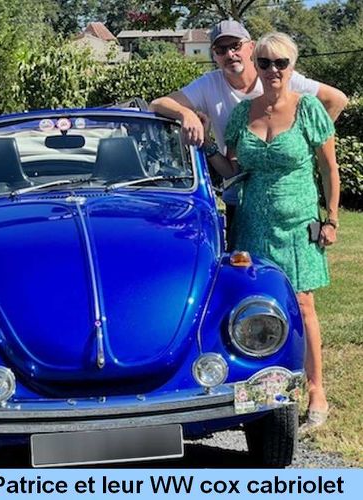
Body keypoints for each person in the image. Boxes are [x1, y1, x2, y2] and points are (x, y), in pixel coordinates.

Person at [205, 31, 339, 431]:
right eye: (264, 63)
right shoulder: (243, 113)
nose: (273, 70)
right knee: (253, 304)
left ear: (292, 66)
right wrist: (206, 146)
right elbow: (231, 169)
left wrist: (331, 218)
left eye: (281, 63)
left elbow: (329, 168)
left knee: (303, 304)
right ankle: (261, 397)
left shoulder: (308, 109)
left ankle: (316, 390)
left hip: (297, 225)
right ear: (256, 65)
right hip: (252, 224)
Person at [149, 20, 347, 231]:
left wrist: (303, 143)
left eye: (235, 46)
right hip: (241, 201)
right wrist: (186, 113)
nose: (230, 54)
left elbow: (336, 100)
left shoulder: (277, 73)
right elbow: (158, 104)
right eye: (221, 49)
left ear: (251, 47)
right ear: (214, 55)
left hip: (295, 204)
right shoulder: (209, 84)